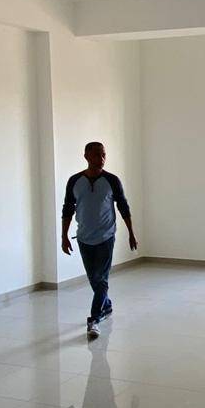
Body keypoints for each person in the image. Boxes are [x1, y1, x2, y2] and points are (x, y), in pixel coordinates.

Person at [61, 141, 138, 339]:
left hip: (106, 237)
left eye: (103, 154)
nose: (101, 158)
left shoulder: (112, 180)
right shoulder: (74, 181)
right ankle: (107, 304)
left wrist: (131, 233)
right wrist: (64, 236)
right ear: (86, 156)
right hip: (84, 238)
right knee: (95, 280)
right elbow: (67, 209)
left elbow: (123, 206)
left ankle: (94, 319)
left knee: (101, 279)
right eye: (96, 154)